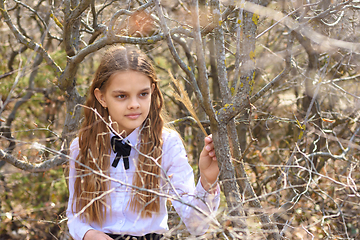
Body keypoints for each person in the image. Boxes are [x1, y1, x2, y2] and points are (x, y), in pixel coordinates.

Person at [66, 46, 220, 240]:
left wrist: (207, 180)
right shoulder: (82, 147)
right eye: (121, 96)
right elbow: (75, 214)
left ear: (152, 92)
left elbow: (197, 226)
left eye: (143, 94)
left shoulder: (167, 145)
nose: (134, 104)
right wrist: (88, 234)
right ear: (102, 97)